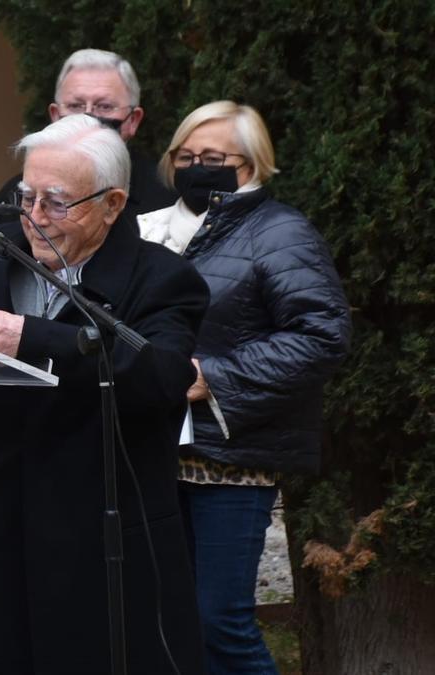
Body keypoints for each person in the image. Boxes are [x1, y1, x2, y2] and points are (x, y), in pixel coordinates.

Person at [0, 114, 208, 674]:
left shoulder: (161, 278)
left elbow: (162, 376)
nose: (35, 217)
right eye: (26, 197)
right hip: (11, 520)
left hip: (104, 535)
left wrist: (36, 337)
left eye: (56, 202)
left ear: (113, 204)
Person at [137, 101, 351, 675]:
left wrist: (217, 378)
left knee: (219, 622)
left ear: (252, 163)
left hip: (231, 460)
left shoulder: (280, 232)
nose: (195, 167)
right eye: (184, 156)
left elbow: (322, 334)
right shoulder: (152, 230)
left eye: (212, 158)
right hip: (156, 453)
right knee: (169, 620)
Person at [0, 48, 177, 216]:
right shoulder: (14, 199)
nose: (88, 117)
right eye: (75, 105)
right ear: (55, 116)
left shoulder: (166, 199)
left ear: (133, 120)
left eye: (104, 106)